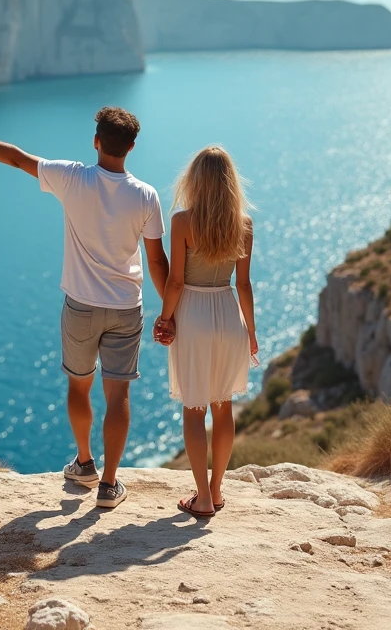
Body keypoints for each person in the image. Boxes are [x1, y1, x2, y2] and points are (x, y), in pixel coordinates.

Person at [0, 107, 169, 509]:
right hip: (127, 308)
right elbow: (157, 261)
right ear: (131, 147)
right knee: (119, 396)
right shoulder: (146, 195)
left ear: (96, 141)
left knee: (79, 385)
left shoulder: (72, 177)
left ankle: (84, 463)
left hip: (80, 306)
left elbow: (14, 156)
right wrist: (171, 311)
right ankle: (109, 487)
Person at [153, 146, 257, 519]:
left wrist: (165, 319)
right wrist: (252, 333)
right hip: (230, 315)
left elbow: (177, 281)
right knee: (223, 406)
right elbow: (244, 285)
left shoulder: (183, 221)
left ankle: (202, 498)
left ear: (195, 180)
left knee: (194, 410)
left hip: (194, 315)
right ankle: (216, 490)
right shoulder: (243, 224)